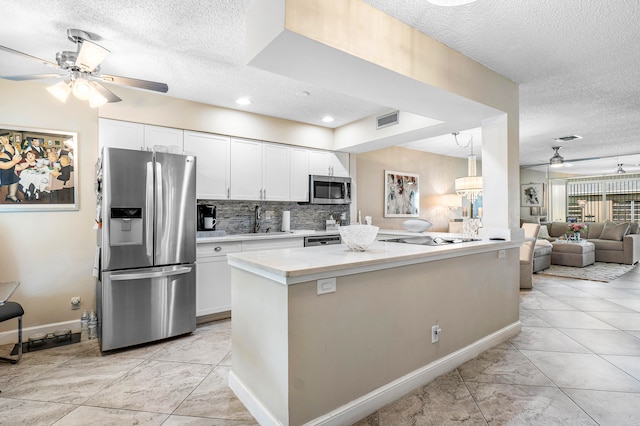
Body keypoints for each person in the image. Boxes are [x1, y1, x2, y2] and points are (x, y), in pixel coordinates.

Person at [0, 135, 23, 202]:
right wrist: (14, 162)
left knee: (14, 182)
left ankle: (12, 195)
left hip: (10, 172)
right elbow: (4, 165)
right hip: (2, 176)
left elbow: (11, 151)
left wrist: (6, 143)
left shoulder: (4, 153)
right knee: (3, 189)